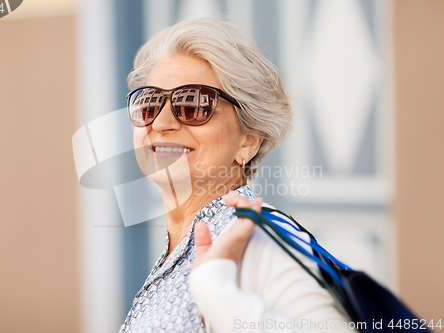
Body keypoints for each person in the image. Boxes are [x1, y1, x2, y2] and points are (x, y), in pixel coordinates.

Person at [120, 18, 354, 333]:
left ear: (248, 140)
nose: (160, 124)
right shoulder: (183, 245)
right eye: (149, 104)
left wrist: (216, 291)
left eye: (193, 104)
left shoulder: (254, 236)